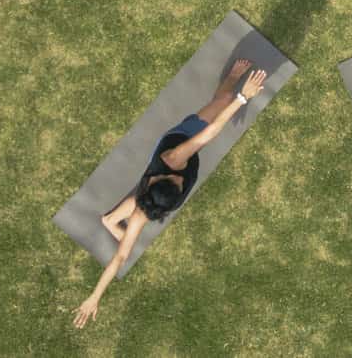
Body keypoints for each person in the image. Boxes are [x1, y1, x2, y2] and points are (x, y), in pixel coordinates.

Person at [73, 60, 269, 329]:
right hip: (156, 185)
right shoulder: (144, 209)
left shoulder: (175, 159)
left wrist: (242, 97)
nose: (180, 179)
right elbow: (119, 258)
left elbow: (209, 134)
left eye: (175, 180)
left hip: (183, 137)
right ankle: (109, 220)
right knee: (130, 228)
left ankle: (232, 77)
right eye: (178, 183)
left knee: (223, 100)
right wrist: (94, 298)